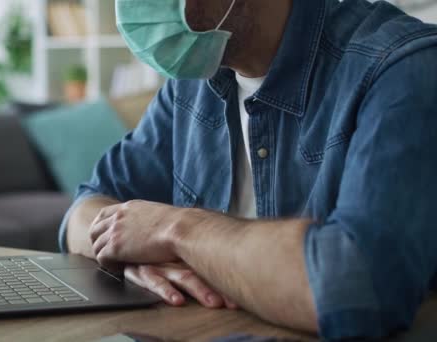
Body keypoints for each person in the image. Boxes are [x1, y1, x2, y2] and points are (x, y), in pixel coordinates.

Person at [59, 0, 437, 339]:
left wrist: (175, 230)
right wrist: (128, 256)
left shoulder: (402, 66)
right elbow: (84, 210)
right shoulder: (191, 84)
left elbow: (357, 288)